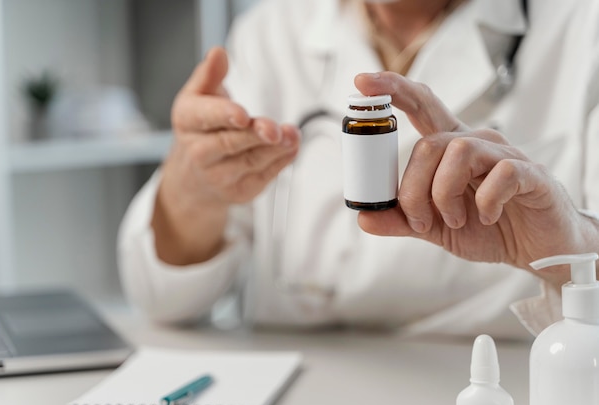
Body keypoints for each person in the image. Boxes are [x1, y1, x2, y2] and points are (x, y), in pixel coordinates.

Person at [117, 0, 599, 338]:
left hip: (503, 376)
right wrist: (193, 189)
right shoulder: (270, 32)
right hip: (303, 380)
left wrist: (568, 250)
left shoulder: (582, 26)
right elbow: (162, 299)